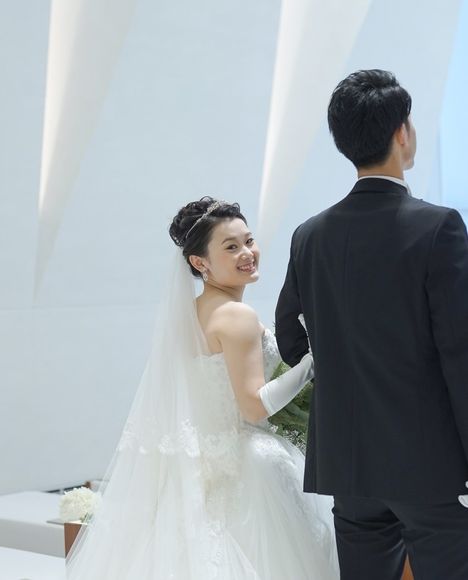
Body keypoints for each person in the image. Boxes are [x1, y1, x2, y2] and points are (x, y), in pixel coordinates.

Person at [66, 197, 339, 579]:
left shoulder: (190, 314)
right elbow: (253, 407)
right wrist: (313, 361)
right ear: (200, 262)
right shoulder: (236, 315)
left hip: (200, 469)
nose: (247, 253)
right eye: (231, 247)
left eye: (249, 240)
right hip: (250, 467)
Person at [275, 69, 468, 580]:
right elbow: (460, 353)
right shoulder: (439, 227)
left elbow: (290, 337)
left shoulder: (309, 235)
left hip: (349, 464)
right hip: (430, 466)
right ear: (402, 132)